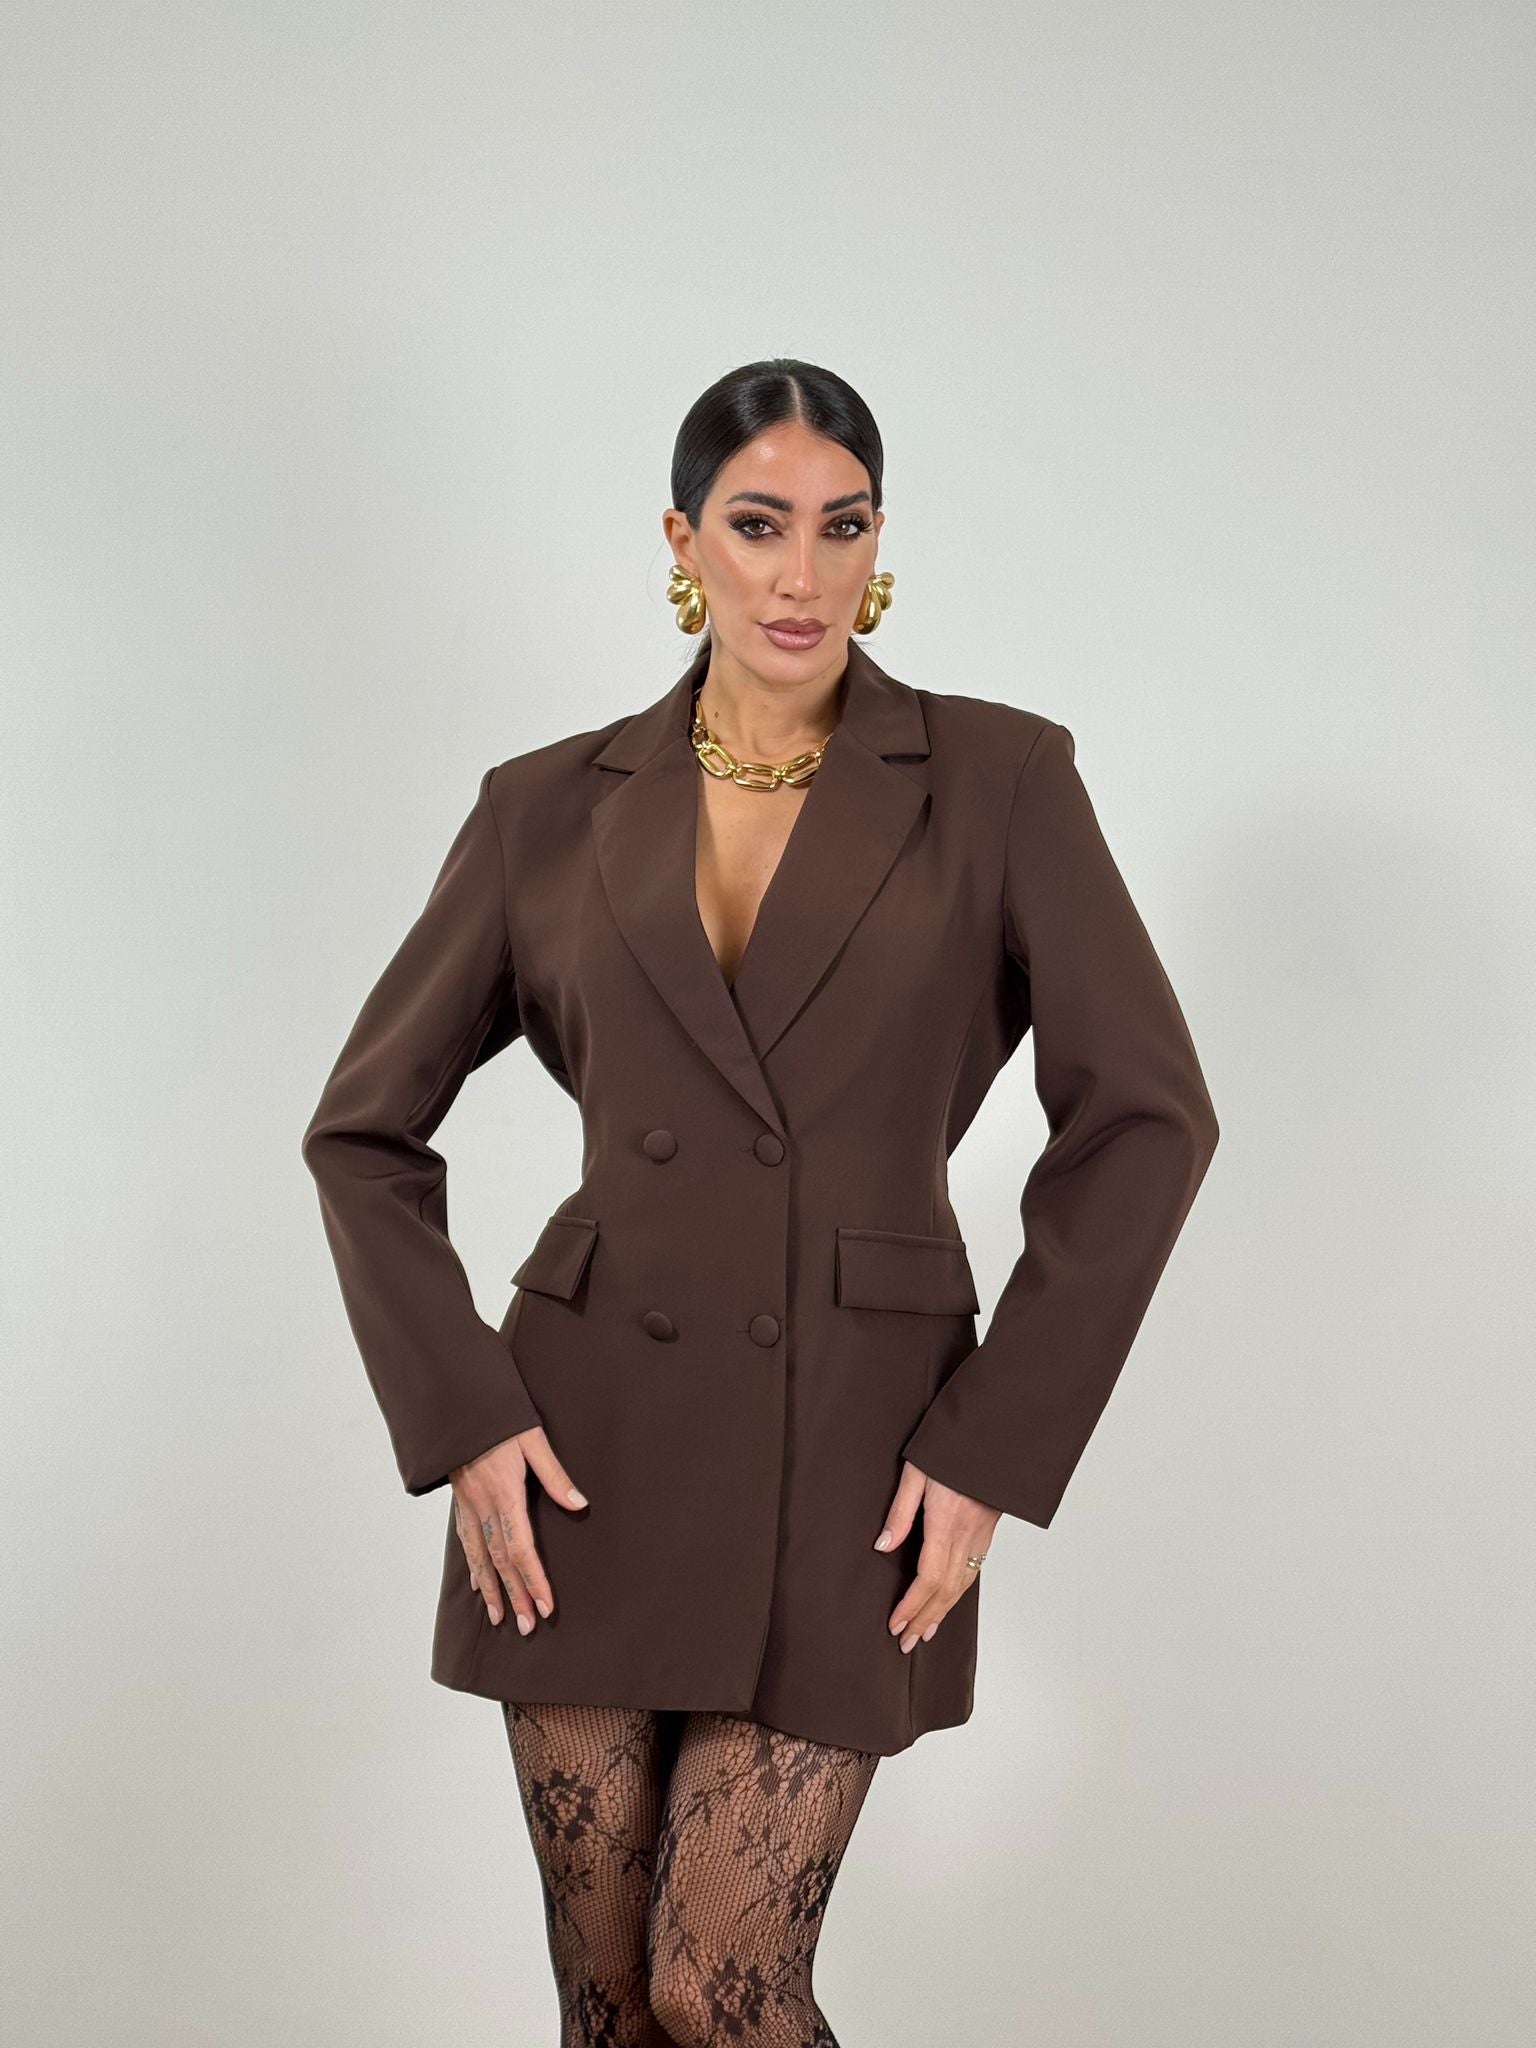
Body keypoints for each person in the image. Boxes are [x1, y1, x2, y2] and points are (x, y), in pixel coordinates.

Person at [301, 356, 1220, 2046]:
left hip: (860, 1450)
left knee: (719, 1989)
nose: (804, 574)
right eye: (757, 524)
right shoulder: (542, 806)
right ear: (682, 541)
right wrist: (464, 1415)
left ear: (881, 541)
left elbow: (1148, 1120)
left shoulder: (999, 779)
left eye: (842, 527)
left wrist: (994, 1444)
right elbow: (361, 1134)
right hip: (580, 1452)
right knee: (610, 2007)